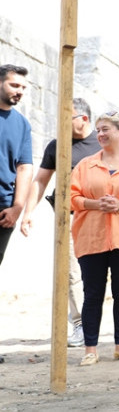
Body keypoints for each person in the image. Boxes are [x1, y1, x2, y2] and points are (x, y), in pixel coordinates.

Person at [20, 97, 101, 347]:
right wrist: (27, 213)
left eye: (67, 119)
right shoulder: (57, 146)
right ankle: (79, 324)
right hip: (68, 218)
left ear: (83, 119)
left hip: (101, 219)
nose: (60, 125)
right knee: (70, 272)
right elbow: (40, 180)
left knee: (99, 274)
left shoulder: (102, 142)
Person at [70, 111, 119, 367]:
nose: (100, 134)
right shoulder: (85, 165)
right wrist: (95, 204)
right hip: (91, 237)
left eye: (106, 129)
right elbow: (71, 198)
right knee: (92, 294)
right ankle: (90, 349)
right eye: (99, 130)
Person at [0, 64, 32, 266]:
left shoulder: (22, 124)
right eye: (14, 85)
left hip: (3, 209)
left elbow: (24, 167)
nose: (19, 91)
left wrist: (17, 207)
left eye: (23, 88)